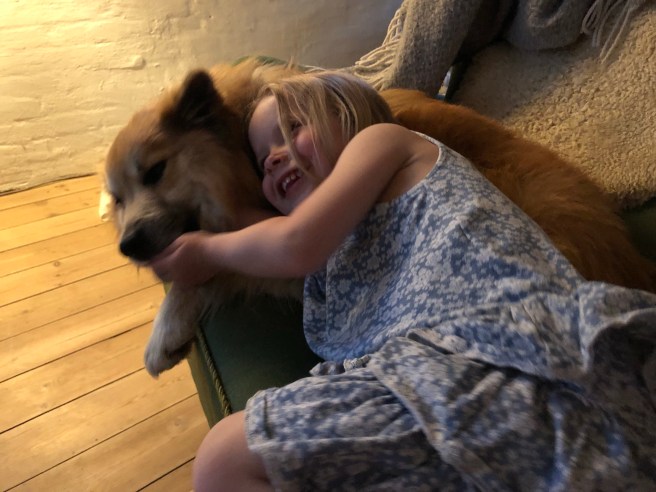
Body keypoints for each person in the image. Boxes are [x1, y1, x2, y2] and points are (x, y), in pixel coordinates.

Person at [149, 71, 656, 491]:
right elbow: (269, 232)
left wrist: (204, 251)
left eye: (292, 128)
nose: (276, 157)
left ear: (352, 115)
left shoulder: (386, 143)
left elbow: (293, 243)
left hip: (504, 354)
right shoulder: (336, 255)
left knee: (224, 455)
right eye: (264, 161)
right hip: (441, 405)